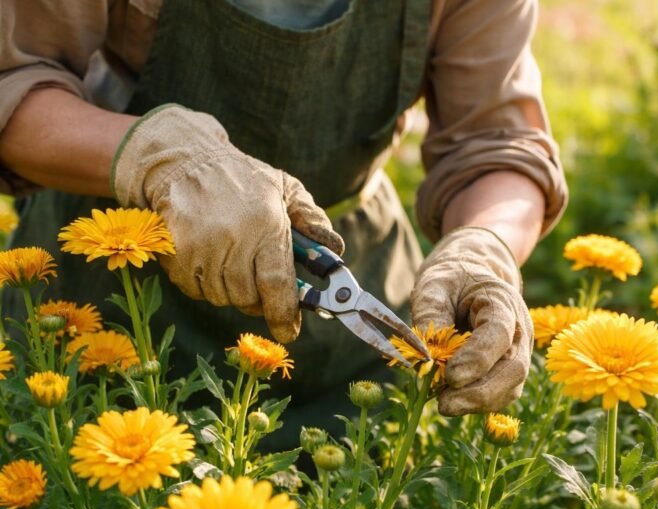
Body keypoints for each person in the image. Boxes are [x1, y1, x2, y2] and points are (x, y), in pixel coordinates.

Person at [0, 0, 567, 440]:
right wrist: (158, 155)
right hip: (110, 282)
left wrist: (483, 246)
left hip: (349, 330)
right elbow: (14, 81)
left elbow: (497, 144)